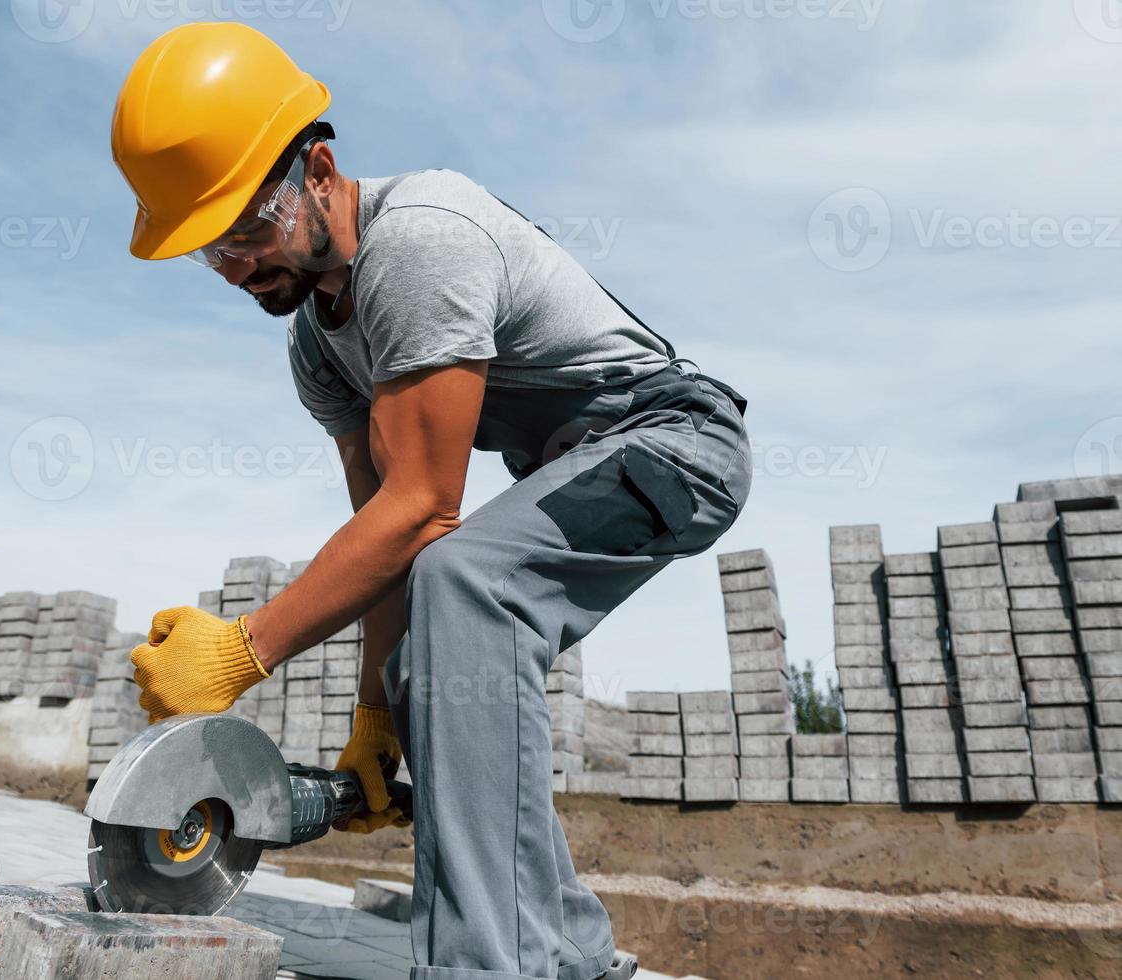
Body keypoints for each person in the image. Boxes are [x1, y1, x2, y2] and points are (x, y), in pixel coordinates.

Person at [115, 22, 751, 980]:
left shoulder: (418, 240)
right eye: (214, 250)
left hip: (676, 442)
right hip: (584, 465)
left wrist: (247, 652)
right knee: (439, 639)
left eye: (250, 227)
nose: (241, 265)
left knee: (467, 584)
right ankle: (567, 954)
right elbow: (384, 535)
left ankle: (486, 967)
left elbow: (424, 509)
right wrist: (377, 715)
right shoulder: (319, 347)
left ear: (319, 169)